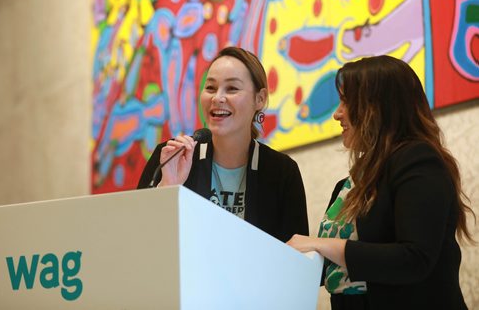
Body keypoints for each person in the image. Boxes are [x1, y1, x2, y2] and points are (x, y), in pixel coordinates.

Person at [287, 55, 475, 309]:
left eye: (346, 102)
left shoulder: (418, 160)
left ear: (378, 107)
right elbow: (334, 268)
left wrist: (321, 244)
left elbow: (414, 258)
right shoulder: (348, 185)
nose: (336, 114)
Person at [137, 46, 309, 242]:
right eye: (210, 87)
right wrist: (167, 188)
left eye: (232, 88)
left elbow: (298, 255)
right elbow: (138, 239)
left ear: (259, 99)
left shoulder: (282, 171)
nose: (217, 98)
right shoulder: (171, 156)